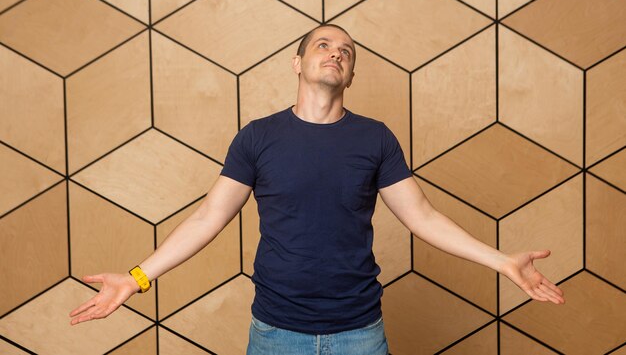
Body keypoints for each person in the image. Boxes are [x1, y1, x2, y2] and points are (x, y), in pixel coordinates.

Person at [70, 24, 565, 354]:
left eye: (346, 52)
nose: (336, 53)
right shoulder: (257, 137)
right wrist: (136, 278)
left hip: (360, 334)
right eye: (324, 46)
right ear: (297, 62)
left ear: (352, 73)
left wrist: (501, 260)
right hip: (275, 333)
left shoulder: (375, 137)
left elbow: (423, 218)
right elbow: (207, 219)